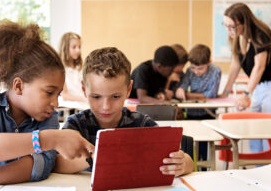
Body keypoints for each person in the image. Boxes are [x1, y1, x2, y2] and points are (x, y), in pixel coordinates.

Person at [0, 20, 94, 186]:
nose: (55, 102)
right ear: (19, 86)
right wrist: (49, 139)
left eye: (58, 94)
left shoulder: (48, 118)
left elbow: (39, 166)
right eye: (49, 93)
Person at [54, 47, 194, 176]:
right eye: (96, 97)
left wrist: (184, 164)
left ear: (128, 90)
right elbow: (56, 163)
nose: (106, 107)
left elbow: (188, 162)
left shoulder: (141, 124)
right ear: (84, 90)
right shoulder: (75, 125)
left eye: (115, 96)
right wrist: (94, 158)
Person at [220, 3, 271, 153]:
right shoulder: (238, 38)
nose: (228, 30)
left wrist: (246, 95)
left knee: (267, 129)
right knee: (253, 128)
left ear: (244, 23)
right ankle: (258, 168)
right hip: (259, 87)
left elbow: (259, 67)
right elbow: (235, 65)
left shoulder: (261, 35)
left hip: (269, 85)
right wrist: (225, 92)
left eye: (232, 27)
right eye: (226, 25)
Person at [175, 44, 221, 165]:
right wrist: (182, 91)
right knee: (189, 143)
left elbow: (211, 94)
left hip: (208, 113)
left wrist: (189, 95)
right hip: (191, 113)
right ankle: (191, 168)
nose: (196, 71)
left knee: (204, 146)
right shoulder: (189, 71)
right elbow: (182, 89)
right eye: (193, 68)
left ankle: (204, 169)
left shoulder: (215, 71)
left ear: (209, 62)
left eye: (200, 68)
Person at [58, 32, 86, 102]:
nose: (78, 50)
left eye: (79, 47)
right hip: (70, 105)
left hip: (82, 103)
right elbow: (65, 95)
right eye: (74, 47)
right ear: (65, 49)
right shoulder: (60, 69)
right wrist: (85, 99)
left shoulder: (79, 68)